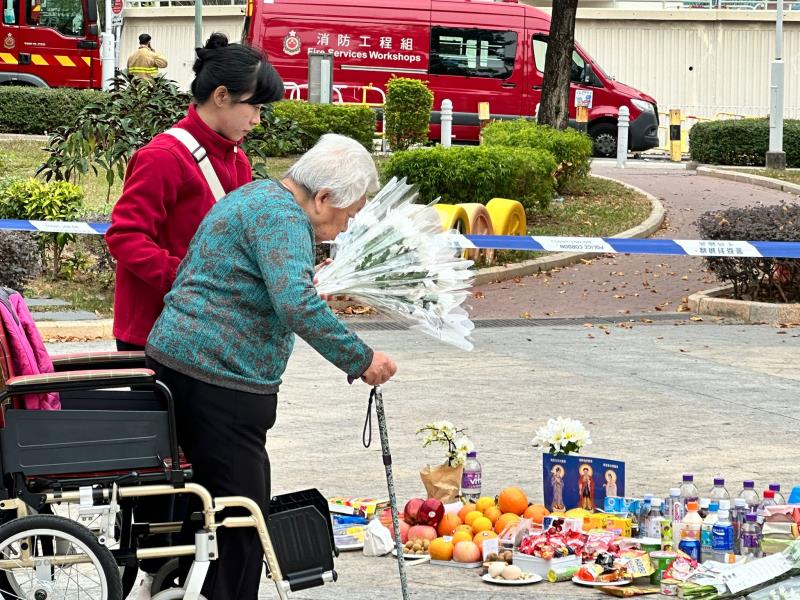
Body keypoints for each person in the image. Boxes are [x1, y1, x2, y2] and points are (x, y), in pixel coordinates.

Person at [145, 133, 398, 600]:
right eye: (347, 214)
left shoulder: (258, 195)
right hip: (218, 378)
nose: (345, 228)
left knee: (206, 502)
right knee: (244, 516)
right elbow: (296, 304)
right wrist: (362, 359)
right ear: (322, 198)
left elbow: (269, 285)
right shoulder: (283, 219)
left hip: (186, 363)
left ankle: (189, 587)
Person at [107, 33, 284, 352]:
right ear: (221, 95)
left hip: (210, 329)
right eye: (254, 107)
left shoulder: (237, 158)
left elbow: (240, 243)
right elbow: (125, 236)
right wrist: (189, 280)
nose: (257, 120)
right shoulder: (163, 157)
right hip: (156, 332)